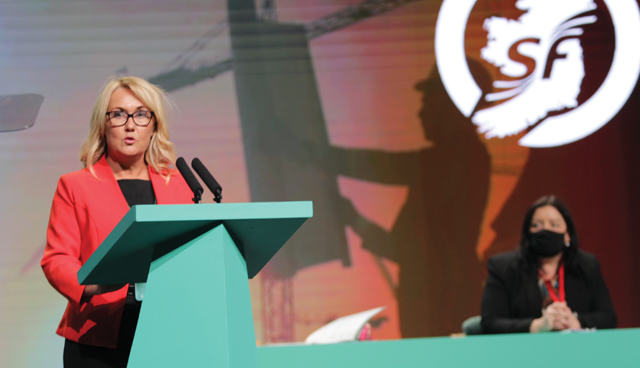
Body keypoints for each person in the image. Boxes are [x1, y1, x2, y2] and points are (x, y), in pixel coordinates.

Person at [41, 76, 194, 367]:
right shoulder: (75, 186)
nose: (130, 124)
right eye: (118, 114)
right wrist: (92, 285)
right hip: (97, 333)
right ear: (103, 125)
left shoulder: (180, 185)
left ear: (154, 126)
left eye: (141, 114)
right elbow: (57, 259)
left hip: (167, 327)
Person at [481, 195, 617, 333]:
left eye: (554, 224)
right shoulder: (503, 267)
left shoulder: (587, 265)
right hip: (525, 350)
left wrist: (575, 321)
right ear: (527, 233)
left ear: (567, 235)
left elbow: (608, 317)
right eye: (537, 225)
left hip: (577, 349)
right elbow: (490, 322)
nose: (545, 230)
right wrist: (536, 326)